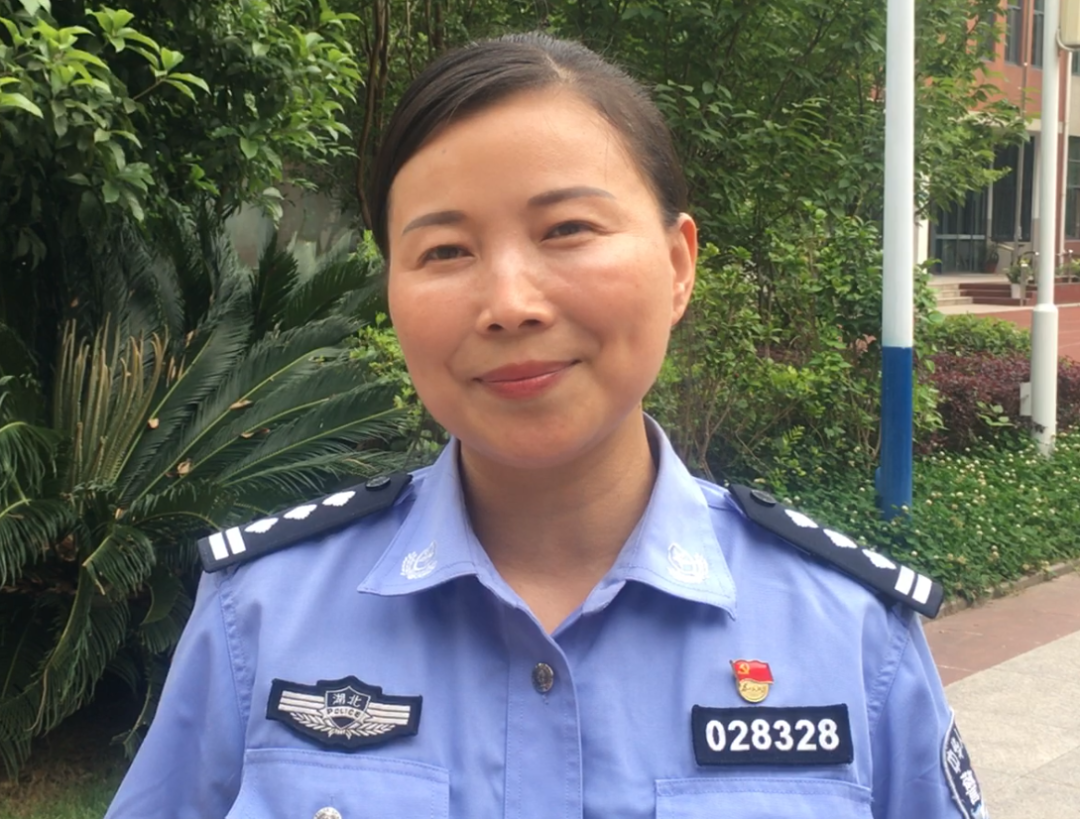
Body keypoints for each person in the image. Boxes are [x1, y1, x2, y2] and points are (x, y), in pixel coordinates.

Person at [105, 33, 987, 819]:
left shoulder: (852, 635)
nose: (509, 302)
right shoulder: (261, 616)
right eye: (444, 250)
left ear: (678, 264)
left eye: (566, 228)